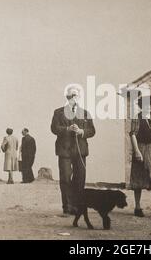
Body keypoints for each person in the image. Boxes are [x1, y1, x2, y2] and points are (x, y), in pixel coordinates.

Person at [51, 86, 95, 215]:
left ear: (79, 97)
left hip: (80, 150)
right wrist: (67, 129)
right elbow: (54, 128)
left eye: (75, 96)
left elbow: (92, 131)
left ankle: (77, 206)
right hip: (64, 150)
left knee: (80, 178)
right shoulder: (58, 112)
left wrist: (82, 131)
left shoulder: (85, 113)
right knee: (65, 178)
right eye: (70, 96)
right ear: (67, 97)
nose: (72, 98)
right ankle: (67, 206)